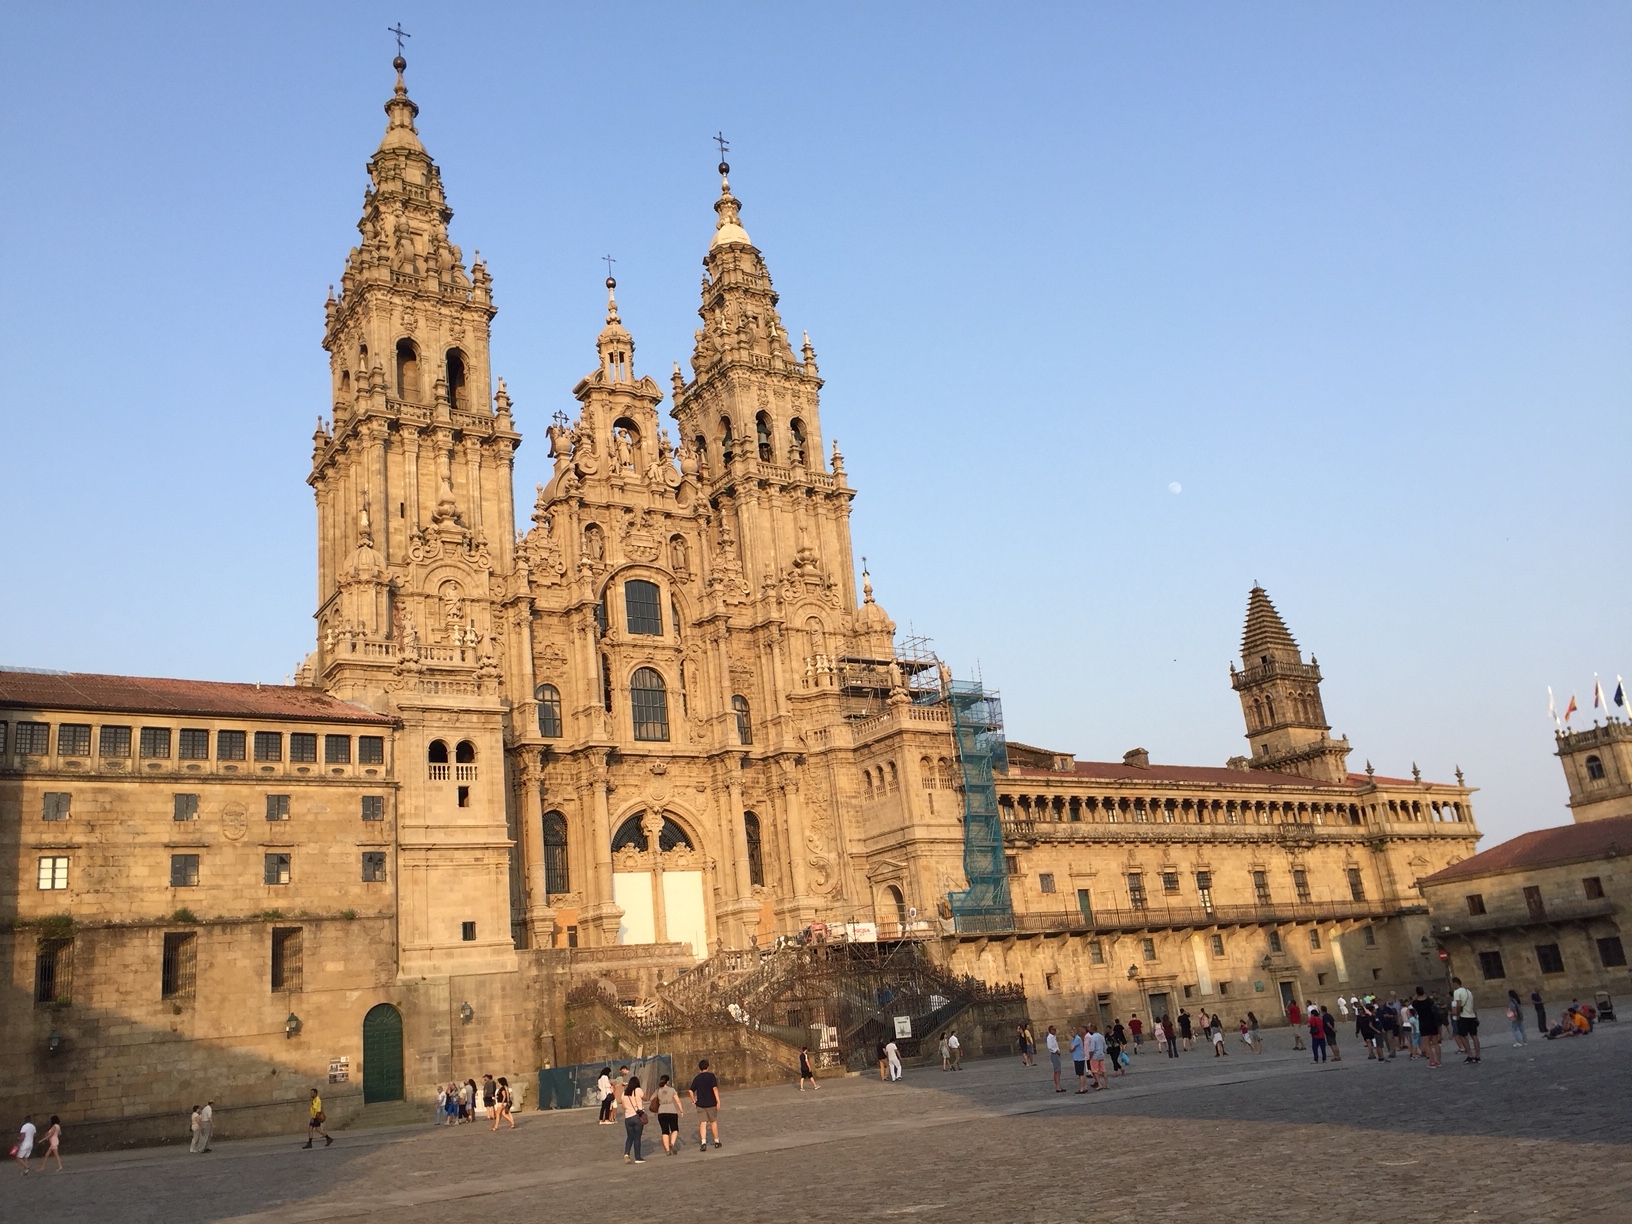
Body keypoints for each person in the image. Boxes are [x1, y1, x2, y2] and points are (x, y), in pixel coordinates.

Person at [690, 1059, 722, 1150]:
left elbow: (690, 1091)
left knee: (703, 1123)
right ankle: (716, 1141)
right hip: (711, 1102)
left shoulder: (697, 1078)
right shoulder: (711, 1076)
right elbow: (714, 1088)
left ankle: (703, 1142)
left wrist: (694, 1101)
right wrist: (718, 1100)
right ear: (707, 1067)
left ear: (699, 1068)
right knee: (713, 1121)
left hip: (700, 1104)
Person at [1451, 976, 1481, 1064]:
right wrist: (1476, 1016)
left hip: (1463, 1016)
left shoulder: (1457, 992)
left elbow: (1458, 1004)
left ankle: (1470, 1055)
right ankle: (1478, 1056)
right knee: (1474, 1036)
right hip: (1472, 1016)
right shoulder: (1468, 991)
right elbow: (1473, 1005)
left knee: (1463, 1036)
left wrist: (1457, 1015)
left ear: (1455, 983)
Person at [654, 1074, 684, 1155]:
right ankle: (672, 1143)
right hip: (671, 1111)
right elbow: (678, 1101)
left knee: (665, 1131)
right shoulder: (672, 1090)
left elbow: (651, 1099)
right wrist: (681, 1110)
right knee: (674, 1129)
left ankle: (667, 1150)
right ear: (667, 1082)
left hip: (661, 1111)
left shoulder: (658, 1090)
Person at [1413, 987, 1442, 1067]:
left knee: (1427, 1044)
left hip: (1423, 1023)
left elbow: (1412, 1003)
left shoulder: (1416, 1003)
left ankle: (1432, 1061)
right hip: (1432, 1022)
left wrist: (1415, 997)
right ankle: (1438, 1061)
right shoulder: (1430, 1001)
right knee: (1436, 1043)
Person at [620, 1074, 645, 1163]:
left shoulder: (624, 1093)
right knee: (637, 1137)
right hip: (637, 1116)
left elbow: (623, 1106)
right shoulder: (638, 1090)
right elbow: (645, 1097)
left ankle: (626, 1153)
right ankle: (637, 1157)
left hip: (628, 1117)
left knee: (630, 1136)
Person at [1086, 1025, 1108, 1090]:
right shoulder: (1101, 1036)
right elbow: (1105, 1046)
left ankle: (1099, 1084)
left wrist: (1090, 1056)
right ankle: (1107, 1084)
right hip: (1101, 1055)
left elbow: (1092, 1048)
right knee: (1103, 1070)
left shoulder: (1093, 1037)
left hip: (1095, 1056)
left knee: (1094, 1071)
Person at [1070, 1028, 1088, 1093]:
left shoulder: (1077, 1039)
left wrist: (1070, 1049)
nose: (1071, 1034)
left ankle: (1082, 1088)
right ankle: (1084, 1086)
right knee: (1080, 1074)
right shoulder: (1073, 1039)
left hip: (1079, 1058)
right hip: (1076, 1058)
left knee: (1080, 1074)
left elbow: (1071, 1048)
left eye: (1072, 1032)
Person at [1046, 1025, 1064, 1092]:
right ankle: (1058, 1087)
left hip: (1056, 1054)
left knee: (1057, 1070)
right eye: (1053, 1029)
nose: (1055, 1031)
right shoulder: (1049, 1037)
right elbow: (1050, 1047)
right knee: (1057, 1071)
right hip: (1054, 1054)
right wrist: (1056, 1051)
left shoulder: (1053, 1037)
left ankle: (1058, 1085)